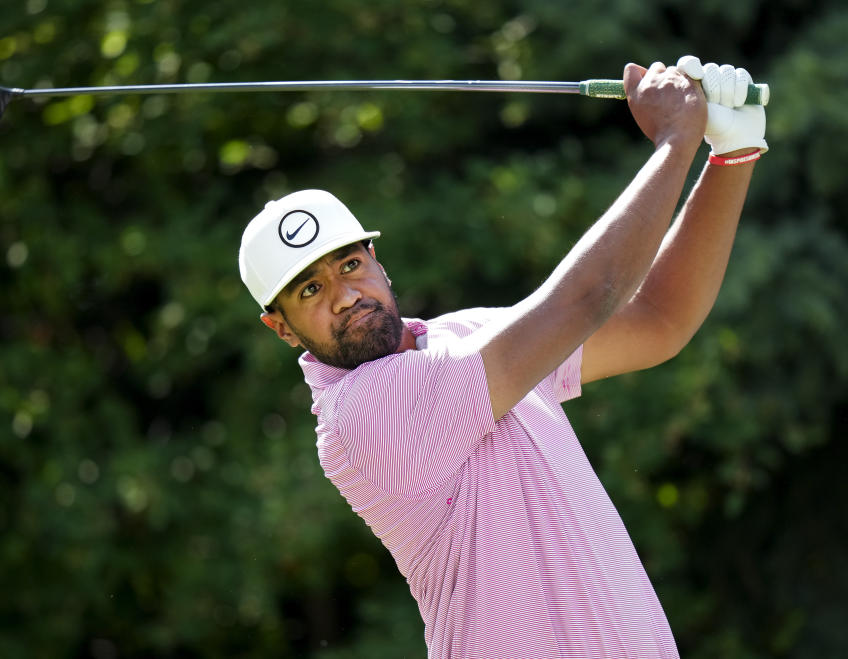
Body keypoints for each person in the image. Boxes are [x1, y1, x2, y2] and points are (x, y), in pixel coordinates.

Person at [238, 55, 767, 658]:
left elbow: (658, 321)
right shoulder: (360, 419)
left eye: (349, 265)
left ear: (376, 259)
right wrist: (678, 139)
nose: (345, 295)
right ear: (280, 328)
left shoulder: (470, 336)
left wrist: (732, 158)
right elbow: (588, 297)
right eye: (310, 290)